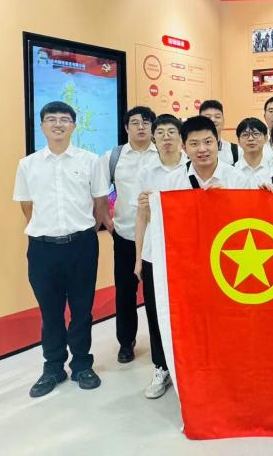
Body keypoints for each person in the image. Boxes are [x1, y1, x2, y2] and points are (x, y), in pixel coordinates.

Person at [13, 101, 110, 397]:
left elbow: (100, 204)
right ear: (42, 126)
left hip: (81, 246)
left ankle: (81, 364)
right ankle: (53, 367)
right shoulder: (28, 164)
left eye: (64, 119)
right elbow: (26, 206)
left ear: (73, 126)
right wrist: (48, 231)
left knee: (82, 309)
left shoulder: (90, 161)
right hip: (43, 250)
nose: (58, 124)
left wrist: (82, 232)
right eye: (51, 119)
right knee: (50, 311)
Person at [132, 114, 187, 399]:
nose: (166, 137)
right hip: (156, 253)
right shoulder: (146, 172)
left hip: (187, 255)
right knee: (155, 312)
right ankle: (160, 366)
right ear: (154, 137)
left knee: (186, 314)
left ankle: (187, 367)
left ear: (180, 137)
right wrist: (138, 258)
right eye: (161, 132)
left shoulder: (191, 169)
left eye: (171, 132)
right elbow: (141, 217)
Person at [101, 106, 159, 364]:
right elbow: (99, 192)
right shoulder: (113, 157)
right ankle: (126, 342)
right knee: (125, 292)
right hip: (124, 236)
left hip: (157, 237)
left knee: (156, 294)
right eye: (135, 122)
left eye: (146, 122)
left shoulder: (164, 154)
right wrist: (108, 223)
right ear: (126, 128)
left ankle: (160, 344)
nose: (141, 127)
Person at [233, 117, 273, 187]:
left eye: (256, 134)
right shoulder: (231, 171)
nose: (250, 138)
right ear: (239, 140)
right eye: (245, 135)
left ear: (266, 138)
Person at [200, 99, 240, 166]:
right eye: (208, 117)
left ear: (223, 121)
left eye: (217, 117)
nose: (213, 120)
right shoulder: (189, 152)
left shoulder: (236, 151)